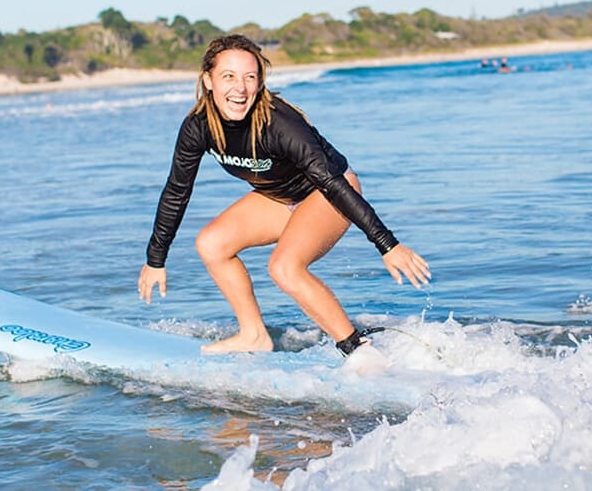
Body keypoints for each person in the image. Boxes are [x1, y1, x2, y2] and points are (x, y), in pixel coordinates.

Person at [138, 34, 431, 356]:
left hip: (327, 191)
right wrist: (156, 259)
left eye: (250, 77)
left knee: (284, 268)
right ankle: (253, 335)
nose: (240, 88)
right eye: (229, 77)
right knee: (211, 243)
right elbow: (177, 190)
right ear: (208, 80)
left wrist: (387, 245)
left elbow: (331, 183)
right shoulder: (198, 127)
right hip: (278, 197)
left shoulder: (279, 123)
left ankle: (356, 348)